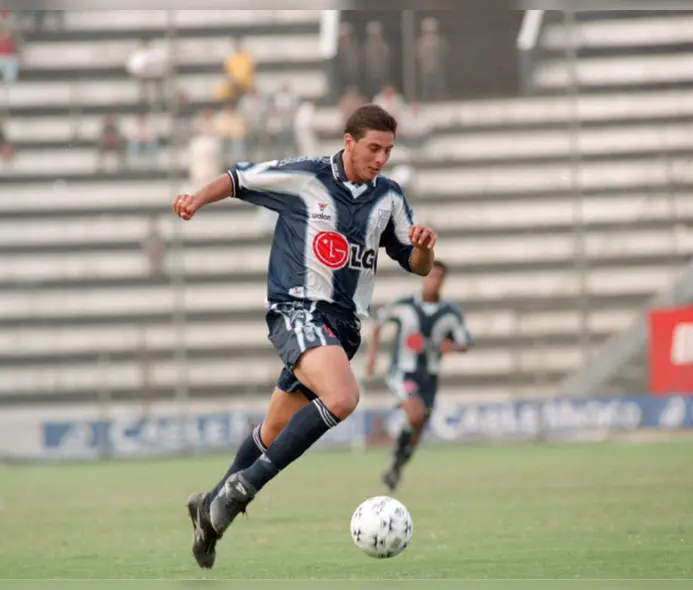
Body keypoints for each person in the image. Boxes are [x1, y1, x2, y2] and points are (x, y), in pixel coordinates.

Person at [172, 104, 438, 570]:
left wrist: (423, 249)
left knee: (273, 431)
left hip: (344, 328)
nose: (381, 158)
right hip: (297, 309)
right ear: (349, 142)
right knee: (343, 397)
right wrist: (196, 199)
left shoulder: (389, 197)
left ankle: (209, 508)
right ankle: (241, 490)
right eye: (373, 148)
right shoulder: (306, 177)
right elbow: (237, 178)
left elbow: (416, 266)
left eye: (388, 150)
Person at [364, 260, 473, 491]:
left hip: (429, 377)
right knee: (415, 415)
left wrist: (452, 347)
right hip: (403, 372)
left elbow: (465, 342)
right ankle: (395, 458)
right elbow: (377, 322)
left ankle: (396, 466)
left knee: (418, 425)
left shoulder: (450, 313)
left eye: (439, 277)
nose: (434, 281)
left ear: (443, 281)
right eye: (431, 275)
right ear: (423, 277)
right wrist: (371, 358)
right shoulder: (404, 304)